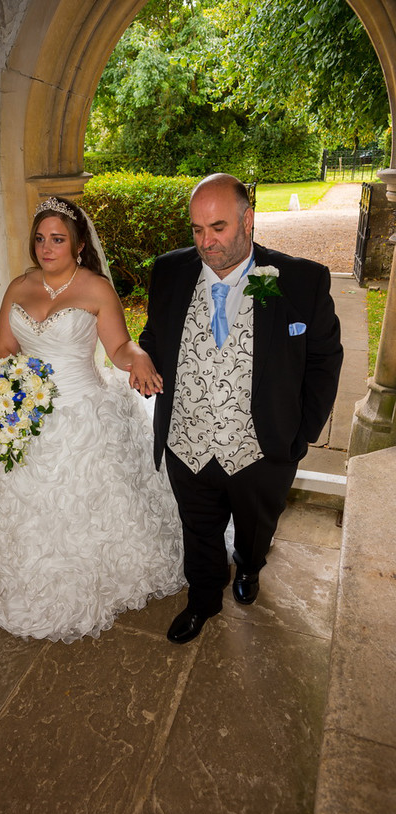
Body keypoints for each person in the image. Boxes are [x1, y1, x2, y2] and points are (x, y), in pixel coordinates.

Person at [139, 173, 343, 645]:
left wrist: (301, 434)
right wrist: (141, 358)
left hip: (263, 448)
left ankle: (250, 569)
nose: (205, 242)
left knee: (255, 529)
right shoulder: (169, 272)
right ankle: (204, 598)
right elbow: (155, 335)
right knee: (198, 529)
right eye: (196, 230)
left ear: (248, 220)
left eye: (218, 228)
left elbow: (324, 359)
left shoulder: (301, 280)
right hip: (186, 442)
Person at [0, 195, 184, 643]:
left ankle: (101, 579)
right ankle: (39, 584)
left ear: (77, 244)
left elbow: (118, 348)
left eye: (57, 239)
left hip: (85, 416)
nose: (46, 248)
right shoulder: (18, 288)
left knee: (92, 509)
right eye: (40, 239)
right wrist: (12, 389)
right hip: (28, 415)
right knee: (36, 512)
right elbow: (3, 349)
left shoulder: (95, 288)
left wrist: (140, 358)